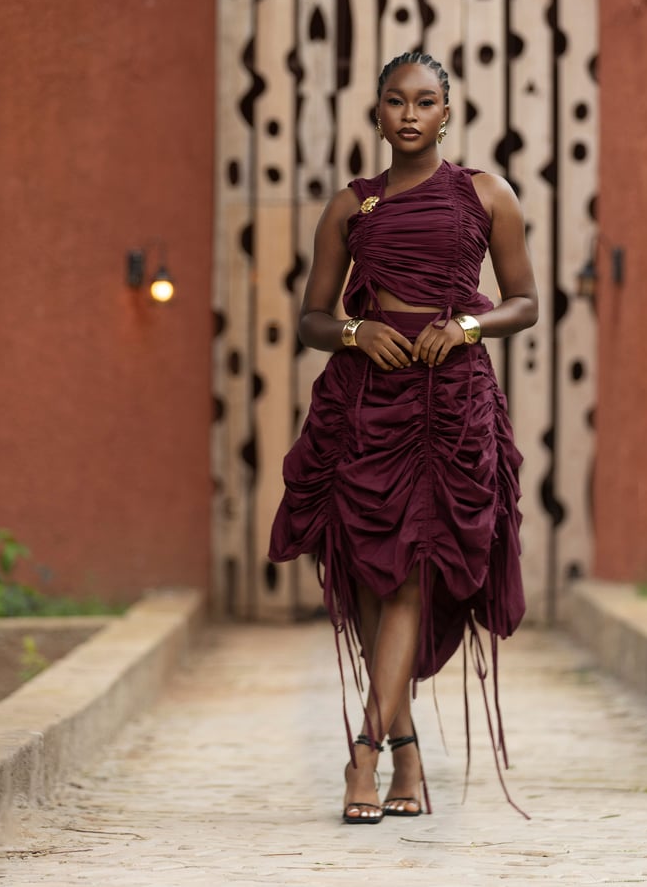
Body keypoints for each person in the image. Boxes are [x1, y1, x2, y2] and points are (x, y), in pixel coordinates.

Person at [268, 51, 538, 824]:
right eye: (396, 101)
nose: (411, 114)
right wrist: (355, 332)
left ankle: (362, 756)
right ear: (378, 113)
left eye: (426, 101)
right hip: (364, 407)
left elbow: (524, 301)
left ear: (447, 113)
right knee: (368, 580)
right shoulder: (351, 207)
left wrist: (465, 323)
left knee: (416, 574)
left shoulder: (487, 194)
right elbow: (313, 316)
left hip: (449, 409)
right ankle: (408, 753)